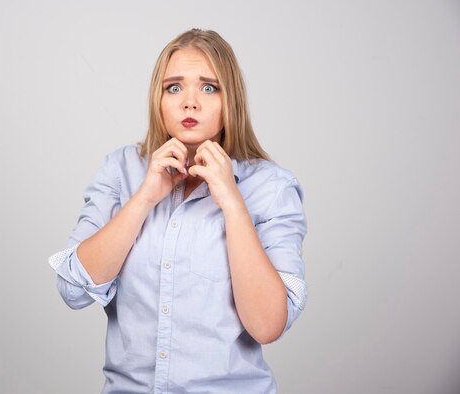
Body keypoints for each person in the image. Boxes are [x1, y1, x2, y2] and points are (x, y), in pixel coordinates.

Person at [49, 28, 307, 394]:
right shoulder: (120, 170)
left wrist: (232, 204)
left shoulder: (272, 188)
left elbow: (267, 325)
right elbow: (72, 289)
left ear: (230, 99)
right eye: (174, 88)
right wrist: (143, 199)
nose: (190, 103)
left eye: (208, 87)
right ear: (158, 99)